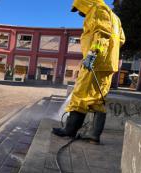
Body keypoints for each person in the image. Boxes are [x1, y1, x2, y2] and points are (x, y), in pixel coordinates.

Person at [52, 0, 125, 144]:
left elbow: (102, 34)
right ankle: (94, 135)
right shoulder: (115, 17)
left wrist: (93, 53)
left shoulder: (97, 10)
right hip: (108, 63)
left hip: (95, 62)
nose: (80, 13)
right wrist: (109, 53)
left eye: (79, 8)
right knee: (97, 99)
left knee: (80, 95)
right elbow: (121, 39)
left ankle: (69, 131)